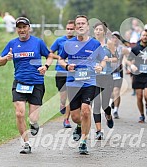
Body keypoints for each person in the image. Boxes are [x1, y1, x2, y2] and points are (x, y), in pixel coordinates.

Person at [0, 17, 54, 154]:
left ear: (29, 28)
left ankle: (34, 124)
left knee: (33, 118)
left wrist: (45, 66)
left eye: (24, 27)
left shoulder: (37, 42)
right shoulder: (12, 43)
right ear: (16, 29)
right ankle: (26, 143)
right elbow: (0, 61)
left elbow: (50, 55)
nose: (22, 30)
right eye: (19, 27)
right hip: (19, 83)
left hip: (36, 83)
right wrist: (6, 58)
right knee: (19, 113)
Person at [58, 15, 106, 154]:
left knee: (86, 110)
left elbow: (103, 60)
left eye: (82, 23)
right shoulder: (69, 44)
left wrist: (100, 67)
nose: (80, 26)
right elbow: (61, 59)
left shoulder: (95, 44)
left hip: (89, 82)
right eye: (78, 24)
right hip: (73, 83)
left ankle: (83, 142)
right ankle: (78, 126)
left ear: (87, 26)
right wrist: (67, 66)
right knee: (75, 117)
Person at [126, 30, 147, 123]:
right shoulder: (135, 49)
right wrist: (132, 66)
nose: (145, 37)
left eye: (146, 35)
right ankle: (141, 115)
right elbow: (128, 60)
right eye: (143, 35)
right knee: (139, 97)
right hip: (138, 76)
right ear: (140, 37)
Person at [93, 22, 117, 140]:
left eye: (100, 30)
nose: (97, 31)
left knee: (105, 105)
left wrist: (108, 59)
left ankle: (108, 115)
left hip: (107, 76)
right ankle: (98, 131)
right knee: (96, 104)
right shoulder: (90, 43)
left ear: (104, 31)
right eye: (96, 29)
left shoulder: (109, 43)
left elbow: (116, 58)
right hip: (95, 77)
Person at [50, 20, 75, 128]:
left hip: (72, 72)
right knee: (63, 97)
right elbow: (49, 53)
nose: (69, 31)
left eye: (71, 29)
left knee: (71, 96)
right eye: (68, 29)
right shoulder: (59, 40)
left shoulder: (77, 41)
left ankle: (66, 120)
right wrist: (60, 58)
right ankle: (61, 103)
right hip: (61, 71)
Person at [110, 31, 130, 119]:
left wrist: (129, 67)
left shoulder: (122, 49)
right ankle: (112, 101)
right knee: (110, 93)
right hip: (108, 72)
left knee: (116, 91)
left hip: (118, 72)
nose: (115, 39)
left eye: (117, 37)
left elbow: (129, 58)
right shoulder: (107, 48)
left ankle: (115, 111)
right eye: (113, 37)